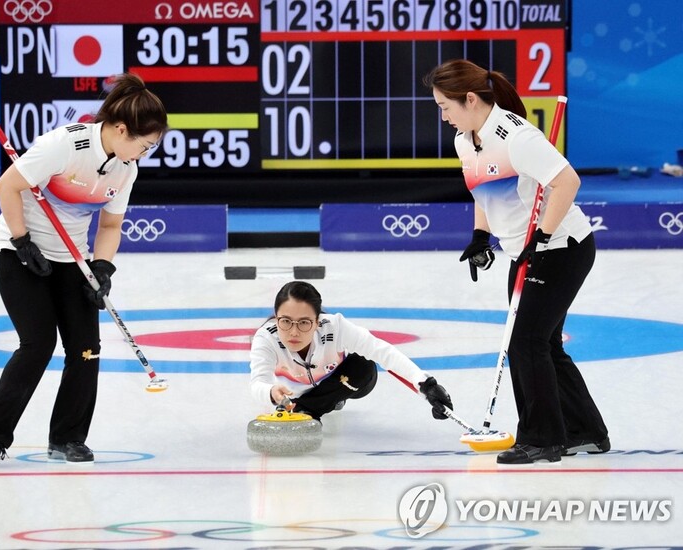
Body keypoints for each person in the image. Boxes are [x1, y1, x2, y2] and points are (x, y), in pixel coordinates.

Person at [0, 73, 168, 466]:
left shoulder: (125, 170)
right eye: (143, 145)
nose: (144, 154)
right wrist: (23, 241)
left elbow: (110, 226)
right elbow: (7, 186)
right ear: (120, 128)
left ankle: (68, 438)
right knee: (38, 343)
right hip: (20, 249)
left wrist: (103, 267)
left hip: (71, 257)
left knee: (86, 349)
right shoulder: (64, 145)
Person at [424, 59, 609, 464]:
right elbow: (484, 191)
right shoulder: (465, 139)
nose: (443, 115)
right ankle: (586, 432)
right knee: (543, 343)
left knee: (525, 342)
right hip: (524, 251)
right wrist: (480, 236)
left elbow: (567, 182)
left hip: (561, 248)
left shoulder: (516, 137)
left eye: (445, 106)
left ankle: (543, 439)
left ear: (470, 99)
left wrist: (542, 234)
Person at [249, 281, 453, 424]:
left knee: (363, 366)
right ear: (276, 319)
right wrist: (270, 392)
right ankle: (310, 406)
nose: (293, 331)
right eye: (285, 321)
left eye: (304, 322)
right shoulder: (266, 338)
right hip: (297, 393)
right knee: (295, 399)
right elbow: (258, 382)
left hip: (346, 382)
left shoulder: (335, 327)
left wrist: (427, 386)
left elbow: (382, 351)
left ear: (318, 321)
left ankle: (309, 409)